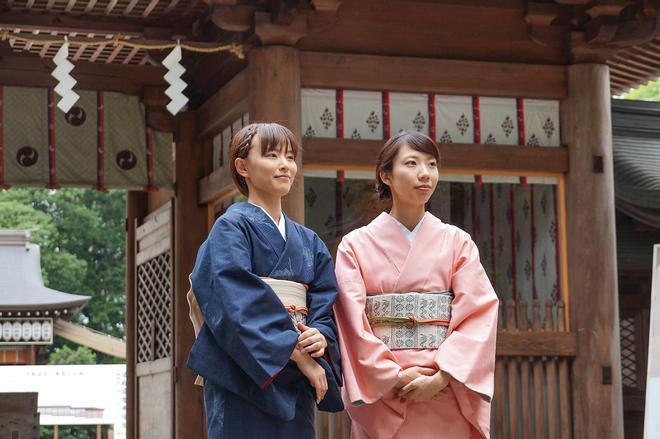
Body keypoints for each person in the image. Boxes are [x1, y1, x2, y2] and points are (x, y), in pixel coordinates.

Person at [334, 131, 498, 438]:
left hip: (445, 388)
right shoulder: (354, 246)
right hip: (384, 390)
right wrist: (393, 377)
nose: (425, 174)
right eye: (412, 163)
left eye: (432, 164)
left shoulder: (457, 242)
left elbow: (479, 314)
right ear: (386, 175)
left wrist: (441, 377)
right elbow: (351, 323)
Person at [187, 122, 343, 438]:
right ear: (242, 166)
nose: (285, 165)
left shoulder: (309, 241)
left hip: (296, 376)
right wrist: (294, 351)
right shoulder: (230, 228)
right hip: (242, 369)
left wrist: (320, 335)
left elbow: (325, 301)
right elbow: (234, 301)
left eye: (289, 157)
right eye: (272, 155)